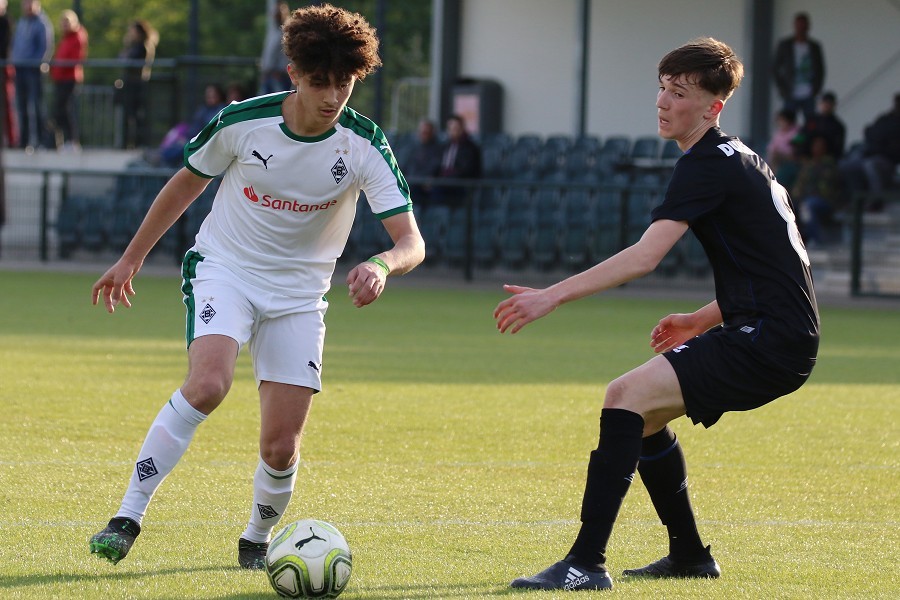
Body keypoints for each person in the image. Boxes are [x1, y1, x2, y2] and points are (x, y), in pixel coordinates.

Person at [88, 3, 425, 570]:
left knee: (281, 446)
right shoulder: (244, 120)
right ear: (294, 73)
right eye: (320, 82)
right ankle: (127, 515)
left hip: (298, 297)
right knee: (209, 384)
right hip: (227, 270)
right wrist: (130, 259)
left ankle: (256, 540)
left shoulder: (363, 143)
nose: (332, 97)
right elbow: (183, 186)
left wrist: (384, 264)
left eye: (343, 83)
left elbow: (411, 240)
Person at [494, 37, 818, 591]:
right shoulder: (736, 158)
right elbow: (779, 269)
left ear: (713, 107)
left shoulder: (705, 165)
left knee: (624, 397)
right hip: (775, 332)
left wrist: (550, 295)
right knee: (643, 414)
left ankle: (584, 564)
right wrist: (703, 318)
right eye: (663, 89)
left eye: (680, 92)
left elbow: (646, 256)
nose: (664, 102)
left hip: (768, 339)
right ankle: (690, 555)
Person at [838, 92, 900, 200]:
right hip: (871, 152)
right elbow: (869, 132)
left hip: (888, 160)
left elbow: (893, 147)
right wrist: (882, 139)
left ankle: (876, 199)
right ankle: (855, 199)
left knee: (870, 165)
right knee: (846, 165)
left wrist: (882, 140)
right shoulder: (885, 118)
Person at [11, 0, 53, 149]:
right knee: (21, 107)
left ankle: (42, 141)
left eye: (30, 3)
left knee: (37, 106)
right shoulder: (22, 22)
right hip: (20, 69)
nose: (28, 6)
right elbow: (16, 45)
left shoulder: (42, 23)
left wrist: (37, 64)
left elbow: (45, 48)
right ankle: (24, 142)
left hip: (33, 71)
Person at [773, 12, 825, 123]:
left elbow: (820, 69)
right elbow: (775, 68)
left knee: (811, 124)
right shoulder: (785, 45)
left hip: (809, 92)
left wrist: (816, 88)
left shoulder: (814, 47)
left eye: (804, 25)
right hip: (791, 92)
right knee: (788, 123)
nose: (801, 28)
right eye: (799, 25)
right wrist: (782, 88)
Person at [792, 133, 843, 246]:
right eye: (815, 145)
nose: (816, 148)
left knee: (807, 206)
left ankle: (816, 240)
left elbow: (828, 188)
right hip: (805, 199)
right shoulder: (808, 165)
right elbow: (799, 186)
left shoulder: (830, 165)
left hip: (824, 201)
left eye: (820, 145)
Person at [49, 9, 87, 151]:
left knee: (67, 109)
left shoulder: (77, 37)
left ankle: (73, 140)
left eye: (67, 22)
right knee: (59, 110)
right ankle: (59, 141)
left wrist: (61, 68)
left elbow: (75, 59)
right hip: (60, 78)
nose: (65, 25)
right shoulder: (65, 38)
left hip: (70, 78)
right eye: (63, 22)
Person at [117, 19, 157, 149]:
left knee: (137, 115)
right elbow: (122, 58)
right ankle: (127, 143)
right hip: (130, 83)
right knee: (128, 115)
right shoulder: (133, 46)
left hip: (138, 84)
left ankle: (139, 144)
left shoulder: (143, 46)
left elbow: (130, 60)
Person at [432, 114, 481, 208]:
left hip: (460, 184)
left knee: (437, 190)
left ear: (462, 128)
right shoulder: (445, 146)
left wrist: (447, 178)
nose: (452, 131)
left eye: (455, 128)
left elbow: (467, 169)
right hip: (444, 181)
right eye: (450, 129)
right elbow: (438, 165)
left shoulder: (470, 148)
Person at [401, 118, 443, 210]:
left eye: (426, 132)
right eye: (422, 132)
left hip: (426, 185)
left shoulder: (438, 149)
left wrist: (425, 179)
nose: (424, 134)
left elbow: (435, 167)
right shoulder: (413, 148)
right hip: (412, 181)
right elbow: (406, 166)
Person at [796, 91, 845, 160]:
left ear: (834, 105)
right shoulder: (812, 120)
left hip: (826, 159)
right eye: (825, 103)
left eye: (829, 103)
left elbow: (838, 149)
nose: (827, 106)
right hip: (806, 156)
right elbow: (801, 136)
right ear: (820, 104)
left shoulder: (837, 126)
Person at [259, 0, 292, 95]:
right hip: (268, 74)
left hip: (279, 74)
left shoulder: (286, 31)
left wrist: (280, 70)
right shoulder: (272, 32)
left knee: (279, 102)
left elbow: (285, 54)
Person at [765, 107, 800, 181]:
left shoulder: (797, 132)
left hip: (791, 161)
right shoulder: (778, 133)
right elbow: (771, 149)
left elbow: (794, 151)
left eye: (782, 120)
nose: (779, 123)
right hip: (776, 161)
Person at [0, 0, 17, 148]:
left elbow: (6, 46)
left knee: (7, 106)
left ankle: (12, 140)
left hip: (4, 69)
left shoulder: (6, 21)